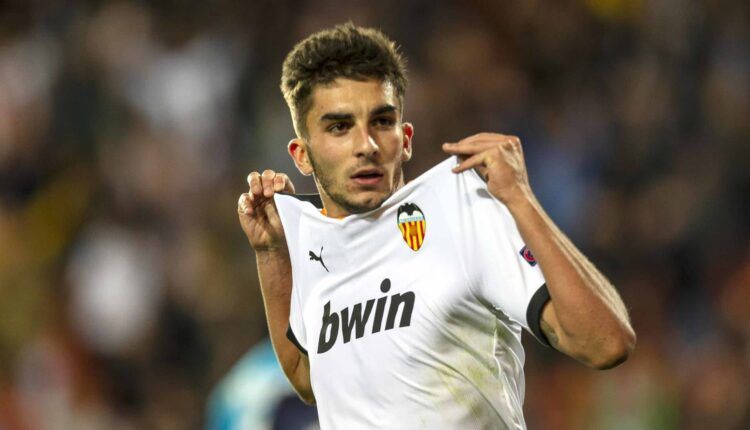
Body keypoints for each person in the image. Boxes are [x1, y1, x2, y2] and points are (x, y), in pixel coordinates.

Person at [237, 23, 635, 429]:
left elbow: (606, 344)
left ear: (405, 137)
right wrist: (271, 254)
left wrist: (521, 200)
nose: (367, 146)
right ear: (301, 155)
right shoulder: (318, 244)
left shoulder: (463, 211)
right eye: (340, 127)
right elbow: (308, 378)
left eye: (381, 121)